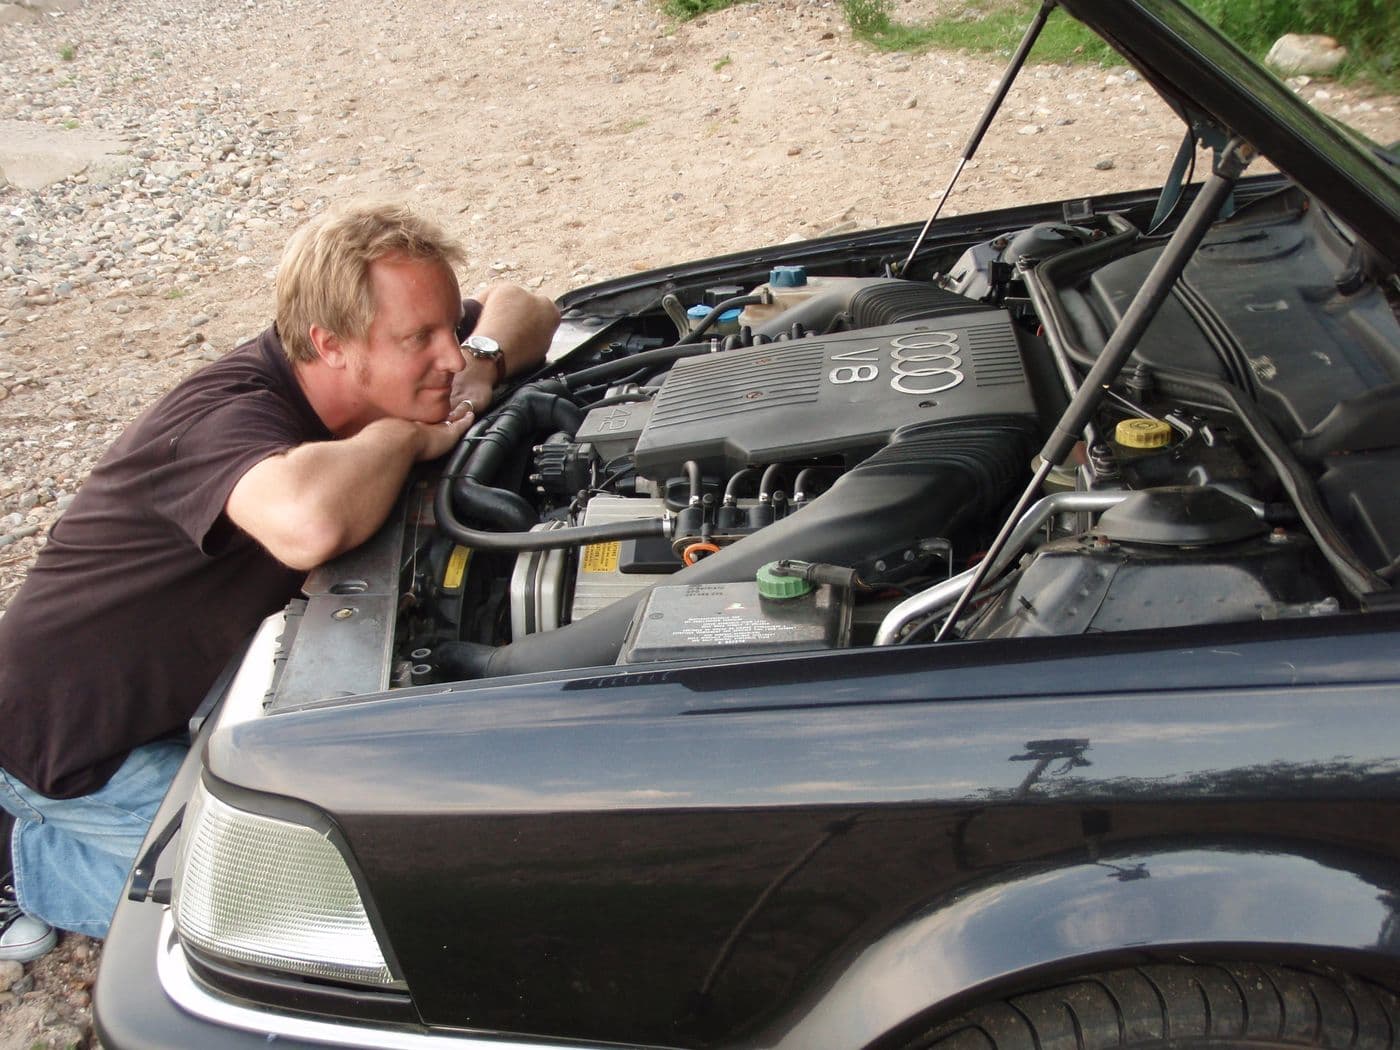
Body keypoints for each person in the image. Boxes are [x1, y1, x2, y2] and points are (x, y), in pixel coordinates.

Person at [0, 200, 560, 962]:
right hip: (71, 741)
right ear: (329, 344)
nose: (450, 357)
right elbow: (308, 523)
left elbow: (531, 305)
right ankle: (24, 858)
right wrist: (403, 435)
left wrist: (486, 356)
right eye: (419, 341)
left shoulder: (398, 344)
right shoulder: (220, 418)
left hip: (186, 686)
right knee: (285, 920)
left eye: (448, 330)